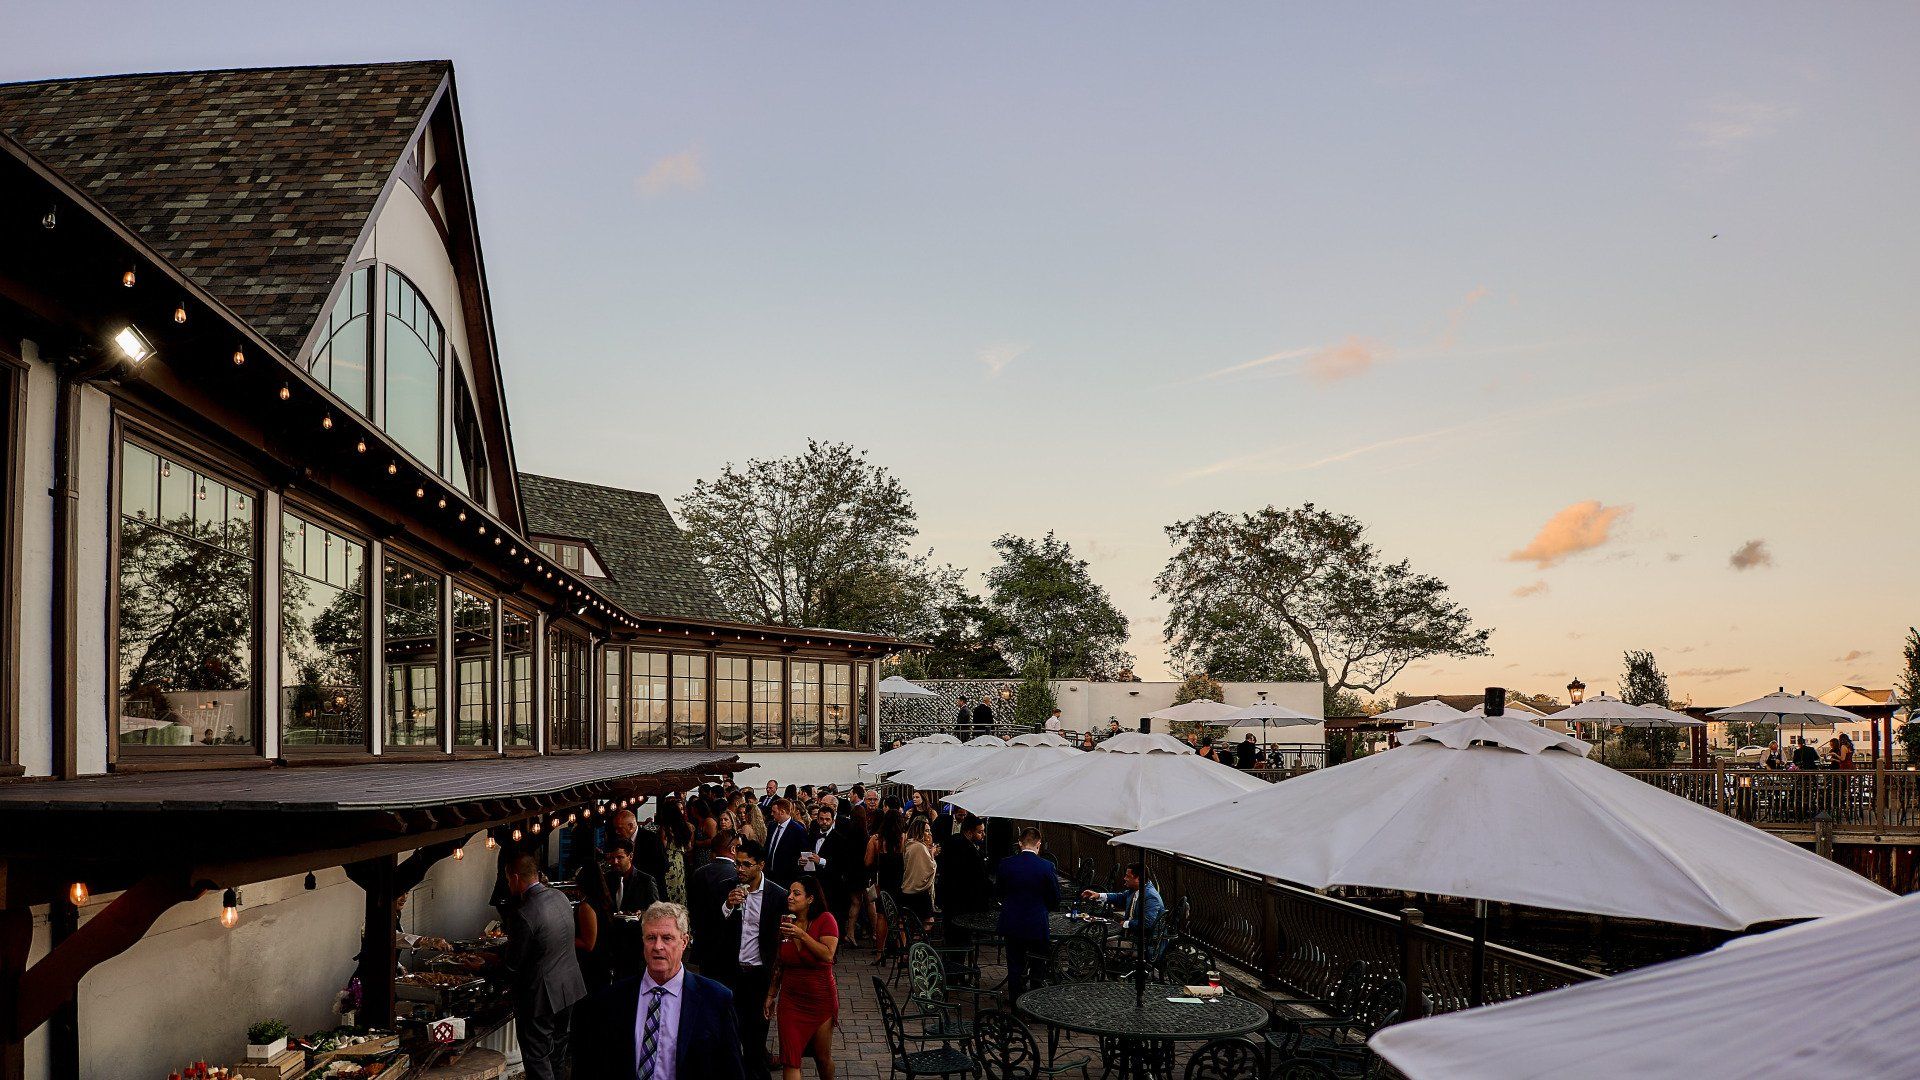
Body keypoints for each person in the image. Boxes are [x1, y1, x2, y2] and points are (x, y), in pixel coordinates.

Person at [574, 901, 746, 1080]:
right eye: (651, 938)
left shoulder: (716, 999)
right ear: (643, 941)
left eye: (667, 938)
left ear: (684, 941)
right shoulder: (611, 1000)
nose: (657, 946)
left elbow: (732, 1071)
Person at [497, 851, 586, 1080]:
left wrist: (482, 966)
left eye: (508, 880)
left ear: (515, 878)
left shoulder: (524, 913)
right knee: (557, 1051)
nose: (509, 885)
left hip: (540, 996)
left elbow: (512, 966)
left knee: (537, 1057)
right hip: (569, 987)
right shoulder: (560, 897)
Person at [715, 839, 784, 1073]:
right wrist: (727, 905)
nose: (740, 869)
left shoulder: (776, 895)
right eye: (737, 864)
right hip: (731, 974)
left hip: (758, 976)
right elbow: (712, 928)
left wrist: (774, 986)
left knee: (756, 1042)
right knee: (730, 1038)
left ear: (760, 865)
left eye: (746, 864)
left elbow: (778, 941)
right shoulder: (726, 887)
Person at [766, 875, 840, 1080]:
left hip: (820, 998)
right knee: (790, 1057)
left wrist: (803, 935)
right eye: (790, 892)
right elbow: (779, 962)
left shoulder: (826, 919)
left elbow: (827, 954)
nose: (789, 897)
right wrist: (771, 994)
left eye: (796, 893)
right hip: (790, 999)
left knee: (822, 1057)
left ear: (810, 899)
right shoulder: (786, 922)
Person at [996, 827, 1059, 995]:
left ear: (1019, 843)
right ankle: (1034, 1002)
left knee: (1014, 965)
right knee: (1038, 965)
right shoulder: (1046, 866)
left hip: (1012, 920)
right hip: (1036, 922)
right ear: (1038, 844)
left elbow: (999, 891)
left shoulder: (1006, 864)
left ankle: (1015, 1003)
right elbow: (1054, 897)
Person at [689, 830, 741, 971]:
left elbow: (692, 907)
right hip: (728, 946)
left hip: (703, 941)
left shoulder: (698, 873)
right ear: (733, 849)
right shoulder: (736, 875)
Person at [1082, 863, 1164, 933]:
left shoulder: (1151, 896)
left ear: (1139, 879)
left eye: (1128, 876)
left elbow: (1147, 923)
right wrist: (1098, 895)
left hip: (1143, 945)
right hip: (1131, 935)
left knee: (1100, 940)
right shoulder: (1135, 889)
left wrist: (1125, 924)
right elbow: (1120, 897)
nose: (1125, 878)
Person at [866, 808, 906, 951]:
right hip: (901, 882)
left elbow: (867, 862)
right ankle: (903, 951)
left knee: (881, 916)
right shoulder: (904, 838)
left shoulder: (876, 839)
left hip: (883, 881)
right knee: (901, 919)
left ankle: (879, 952)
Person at [606, 837, 664, 915]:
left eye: (620, 857)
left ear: (630, 856)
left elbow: (656, 910)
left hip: (635, 925)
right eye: (612, 858)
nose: (615, 862)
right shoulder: (606, 879)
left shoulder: (646, 881)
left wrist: (642, 913)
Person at [900, 817, 936, 928]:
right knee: (929, 921)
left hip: (908, 888)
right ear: (919, 831)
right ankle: (919, 941)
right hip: (919, 890)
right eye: (926, 830)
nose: (929, 833)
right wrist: (932, 854)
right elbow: (929, 867)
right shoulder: (919, 847)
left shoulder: (910, 844)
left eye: (929, 830)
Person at [764, 797, 809, 886]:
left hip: (786, 878)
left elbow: (803, 853)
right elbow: (767, 847)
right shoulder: (772, 826)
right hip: (769, 875)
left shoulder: (798, 830)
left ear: (782, 812)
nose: (771, 814)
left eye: (774, 812)